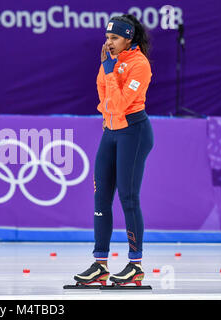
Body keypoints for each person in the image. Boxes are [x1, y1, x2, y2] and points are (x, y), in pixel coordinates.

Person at [75, 14, 154, 286]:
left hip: (134, 132)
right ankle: (100, 265)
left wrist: (110, 71)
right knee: (101, 199)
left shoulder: (140, 65)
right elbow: (104, 96)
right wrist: (108, 70)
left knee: (128, 198)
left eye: (114, 38)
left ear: (128, 38)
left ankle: (135, 265)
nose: (108, 43)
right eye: (107, 38)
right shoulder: (110, 60)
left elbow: (119, 104)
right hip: (110, 133)